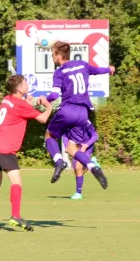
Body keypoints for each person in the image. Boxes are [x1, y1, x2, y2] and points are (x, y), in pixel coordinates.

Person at [0, 75, 53, 231]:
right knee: (16, 180)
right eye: (25, 83)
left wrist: (28, 101)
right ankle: (15, 216)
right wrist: (49, 107)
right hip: (3, 146)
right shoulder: (20, 104)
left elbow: (19, 108)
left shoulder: (7, 99)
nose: (27, 85)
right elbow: (41, 119)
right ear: (19, 88)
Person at [41, 41, 113, 189]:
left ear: (59, 56)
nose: (52, 57)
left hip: (68, 110)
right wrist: (109, 69)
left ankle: (59, 161)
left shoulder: (59, 72)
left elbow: (54, 94)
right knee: (73, 149)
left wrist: (44, 99)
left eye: (53, 54)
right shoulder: (82, 64)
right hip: (83, 113)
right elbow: (98, 70)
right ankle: (93, 167)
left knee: (49, 135)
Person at [62, 121, 100, 200]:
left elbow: (95, 135)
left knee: (78, 166)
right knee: (76, 169)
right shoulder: (67, 121)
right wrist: (66, 146)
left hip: (86, 145)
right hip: (75, 145)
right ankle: (92, 163)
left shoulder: (85, 121)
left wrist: (86, 145)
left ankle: (78, 194)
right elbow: (65, 135)